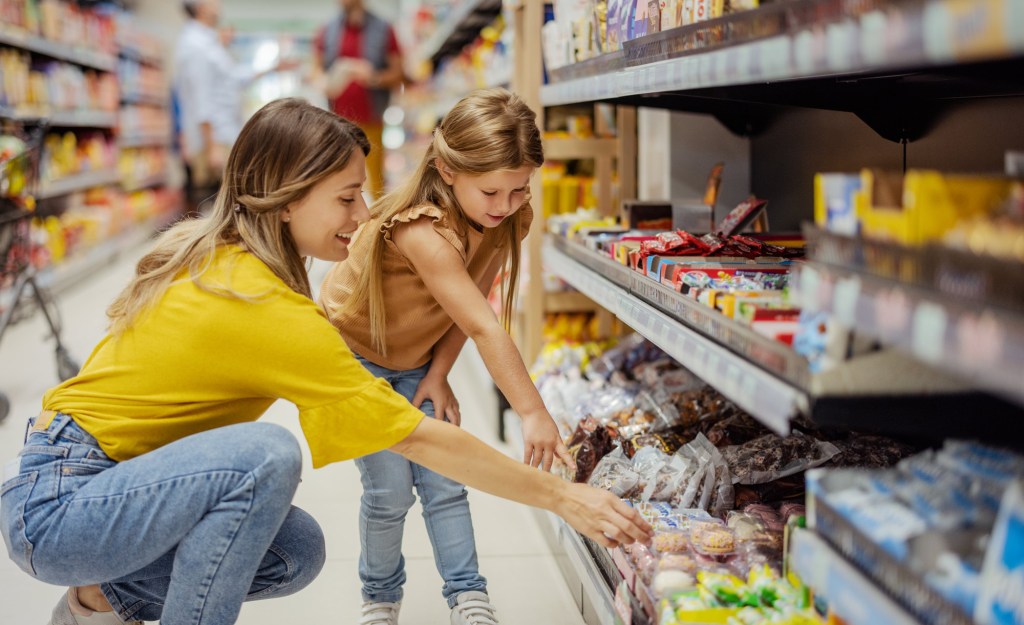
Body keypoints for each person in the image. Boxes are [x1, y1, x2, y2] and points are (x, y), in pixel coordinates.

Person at [0, 98, 651, 625]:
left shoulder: (236, 261)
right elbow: (419, 437)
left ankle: (99, 601)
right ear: (287, 199)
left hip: (98, 488)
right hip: (61, 504)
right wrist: (562, 496)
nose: (363, 215)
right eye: (345, 198)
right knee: (265, 455)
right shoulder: (261, 303)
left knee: (296, 551)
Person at [318, 88, 573, 625]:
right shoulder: (421, 231)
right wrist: (531, 412)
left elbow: (469, 308)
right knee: (388, 491)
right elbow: (484, 325)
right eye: (492, 190)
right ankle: (380, 599)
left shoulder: (503, 218)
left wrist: (436, 373)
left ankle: (468, 597)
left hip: (414, 361)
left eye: (519, 189)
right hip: (353, 361)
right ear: (447, 169)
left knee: (446, 481)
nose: (505, 204)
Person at [173, 0, 296, 216]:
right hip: (213, 138)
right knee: (217, 204)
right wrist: (212, 145)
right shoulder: (195, 46)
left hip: (223, 135)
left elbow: (235, 78)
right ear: (200, 6)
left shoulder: (208, 42)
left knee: (227, 203)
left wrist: (273, 68)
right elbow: (201, 98)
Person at [311, 0, 404, 200]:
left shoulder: (383, 29)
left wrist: (373, 77)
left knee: (375, 184)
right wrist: (323, 82)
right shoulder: (327, 30)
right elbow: (316, 70)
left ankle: (376, 228)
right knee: (338, 182)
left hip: (372, 120)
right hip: (337, 122)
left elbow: (398, 74)